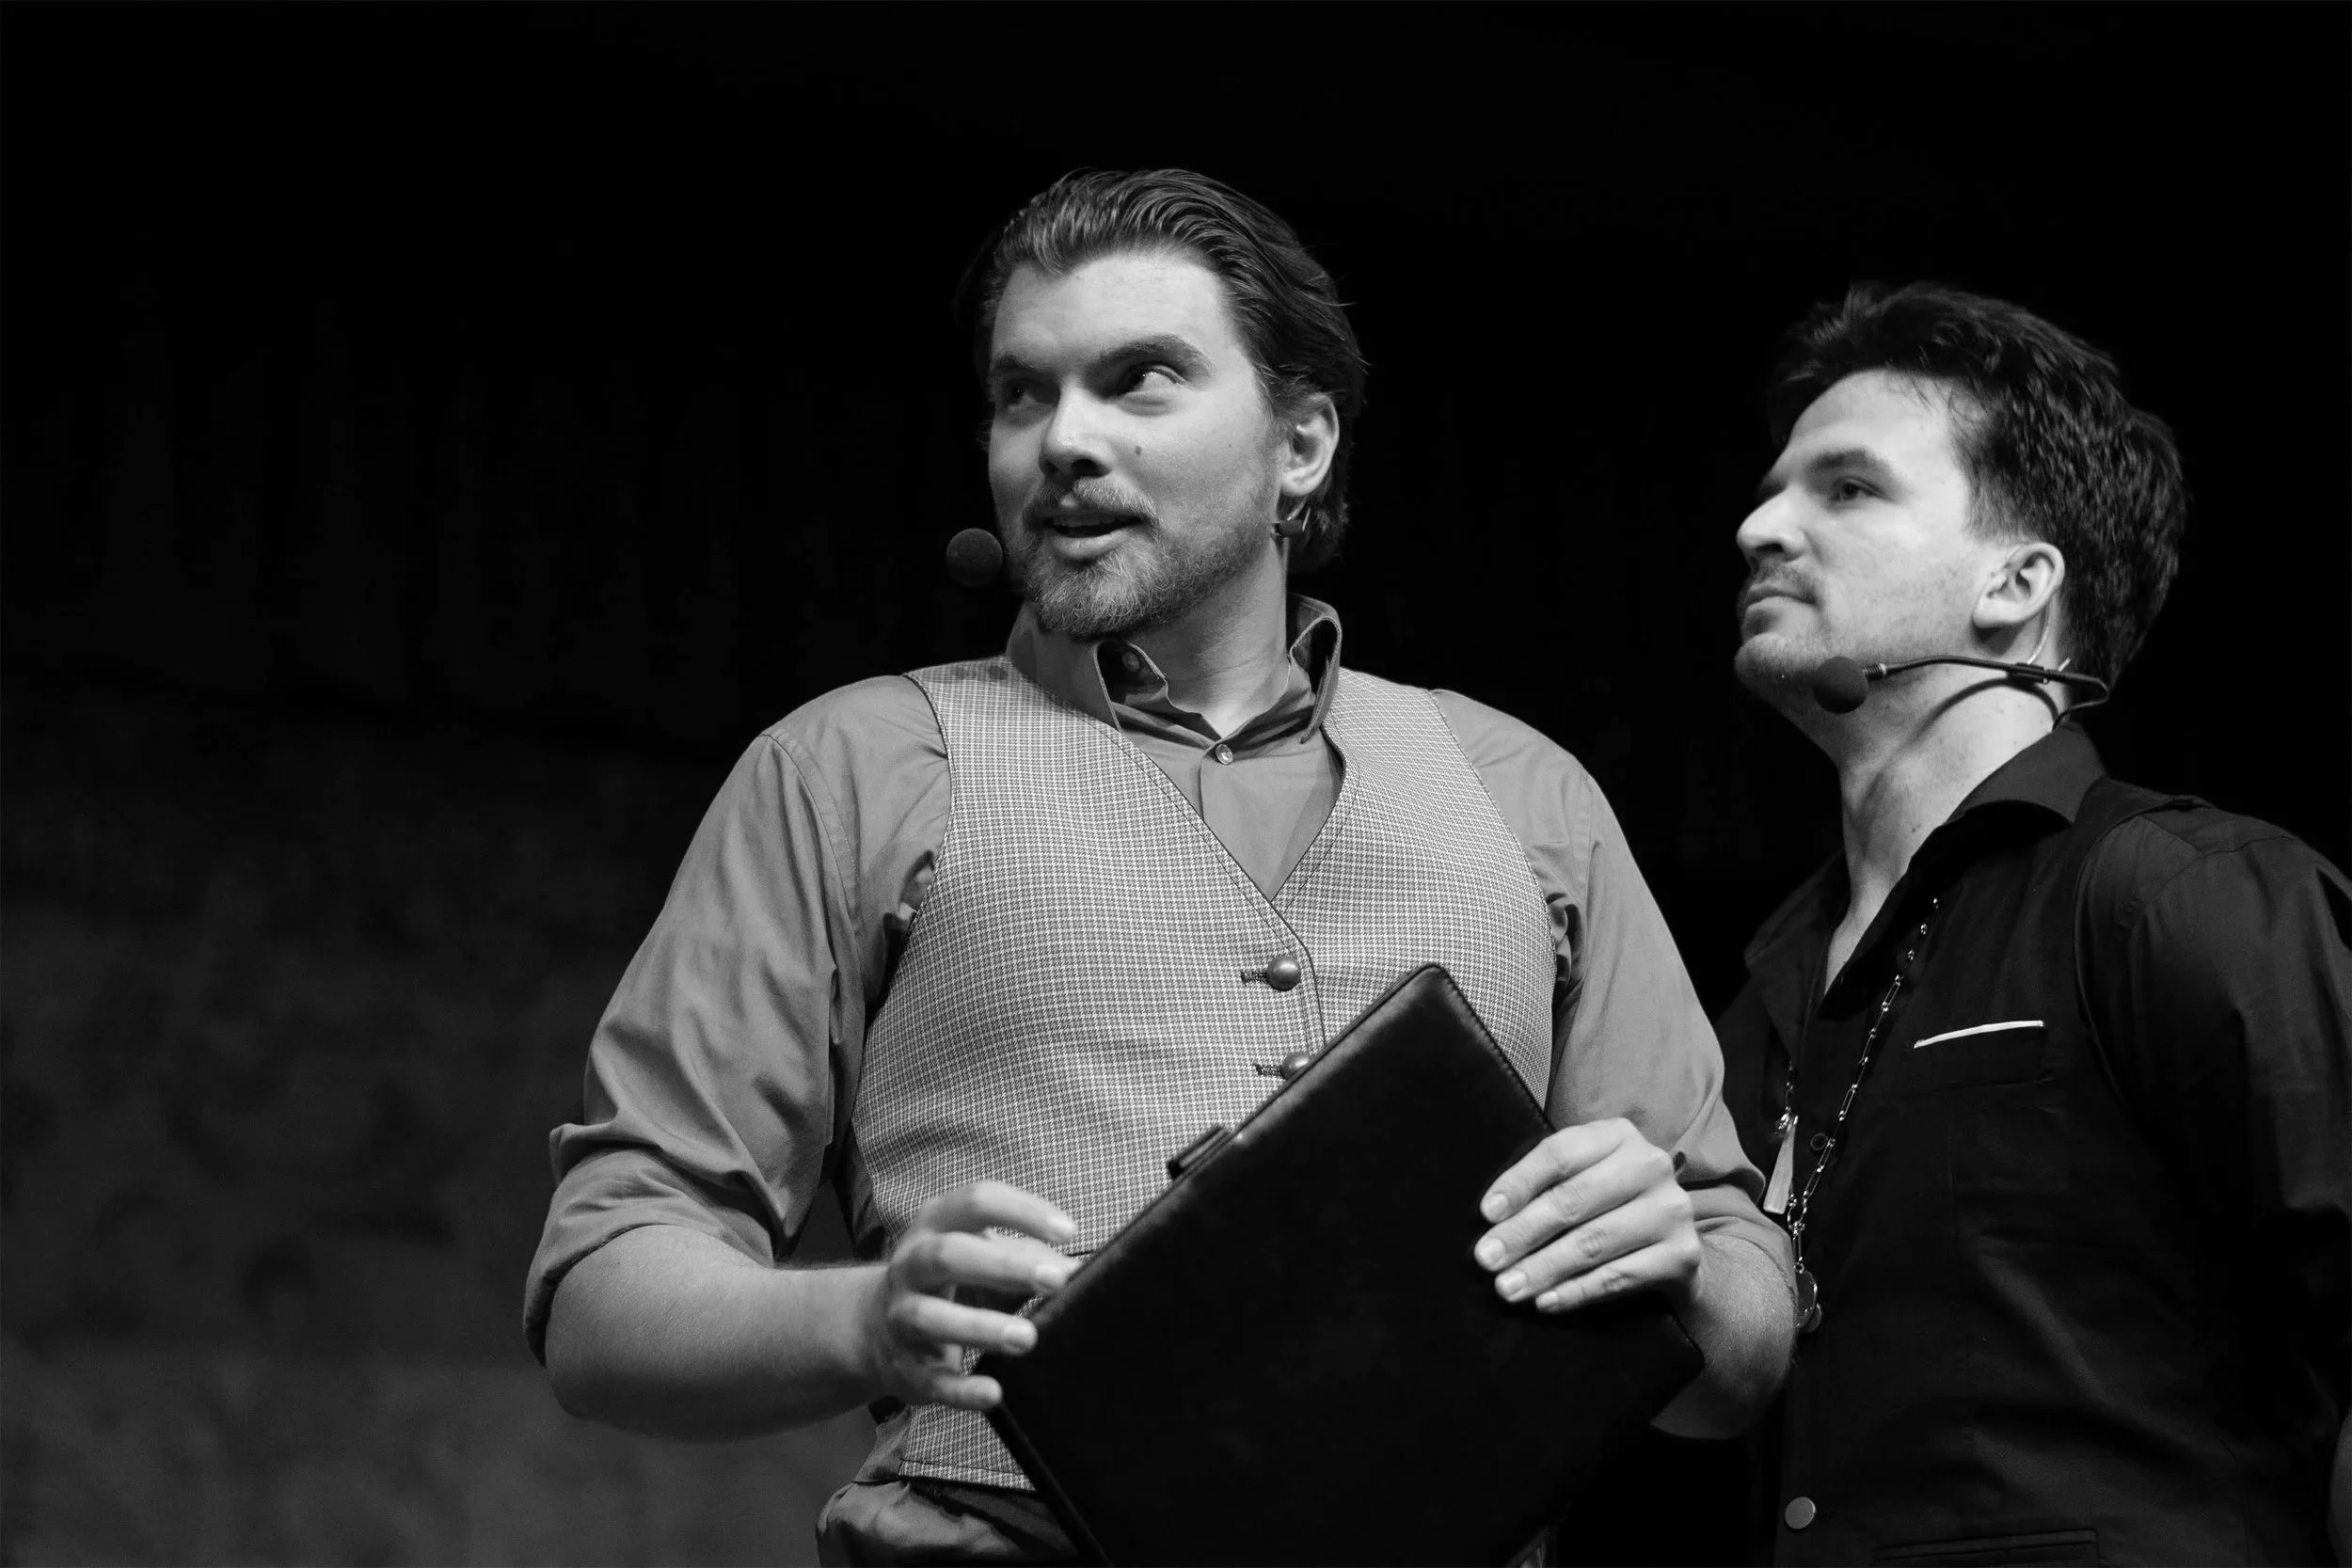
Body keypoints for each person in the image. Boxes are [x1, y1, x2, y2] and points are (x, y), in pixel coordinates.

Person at [527, 167, 1794, 1562]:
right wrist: (865, 1312)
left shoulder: (1528, 793)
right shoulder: (851, 768)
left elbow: (1737, 1340)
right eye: (1023, 394)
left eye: (1138, 381)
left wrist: (1676, 1263)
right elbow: (602, 1297)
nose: (1061, 440)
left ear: (1300, 443)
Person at [1723, 281, 2352, 1564]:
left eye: (1847, 488)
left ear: (2017, 581)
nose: (1757, 526)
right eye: (1775, 485)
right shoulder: (1766, 981)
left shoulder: (2180, 892)